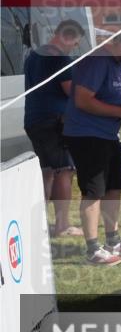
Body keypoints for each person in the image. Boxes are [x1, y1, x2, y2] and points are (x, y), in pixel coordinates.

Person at [62, 28, 121, 266]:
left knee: (115, 186)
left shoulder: (118, 63)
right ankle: (92, 249)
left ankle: (114, 241)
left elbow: (110, 91)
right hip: (86, 134)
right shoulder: (97, 61)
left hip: (107, 134)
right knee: (93, 191)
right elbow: (83, 100)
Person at [23, 19, 85, 237]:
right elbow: (71, 91)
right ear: (67, 36)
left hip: (34, 120)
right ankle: (62, 225)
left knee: (47, 172)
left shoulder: (33, 56)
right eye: (75, 43)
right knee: (64, 170)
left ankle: (38, 224)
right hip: (54, 122)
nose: (74, 48)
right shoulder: (59, 58)